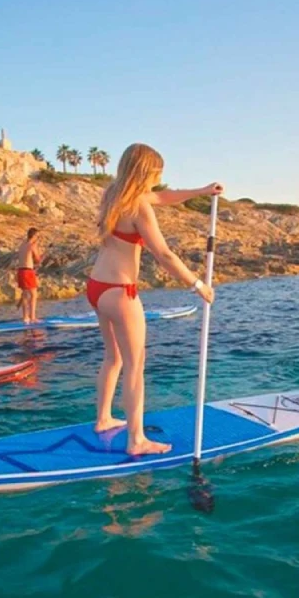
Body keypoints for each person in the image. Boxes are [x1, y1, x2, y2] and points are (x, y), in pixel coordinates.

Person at [89, 143, 220, 455]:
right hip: (122, 293)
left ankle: (104, 418)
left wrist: (201, 190)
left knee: (113, 357)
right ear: (144, 172)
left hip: (96, 287)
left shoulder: (114, 195)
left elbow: (163, 197)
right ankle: (136, 440)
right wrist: (197, 284)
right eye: (155, 175)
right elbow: (164, 254)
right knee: (135, 366)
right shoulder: (138, 207)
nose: (157, 182)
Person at [15, 227, 44, 324]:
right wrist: (41, 255)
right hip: (28, 271)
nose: (38, 239)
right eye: (38, 237)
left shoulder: (22, 244)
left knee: (25, 295)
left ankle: (25, 318)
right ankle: (33, 318)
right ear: (34, 236)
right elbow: (37, 260)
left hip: (20, 271)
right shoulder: (32, 245)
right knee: (33, 294)